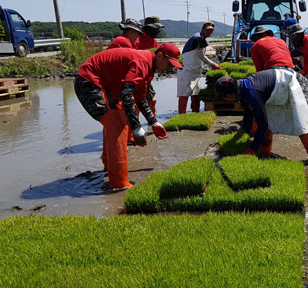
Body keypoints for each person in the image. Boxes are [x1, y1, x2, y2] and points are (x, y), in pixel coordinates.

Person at [74, 43, 183, 189]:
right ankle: (119, 182)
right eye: (169, 63)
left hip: (105, 84)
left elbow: (140, 99)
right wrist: (136, 127)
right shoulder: (142, 63)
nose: (170, 68)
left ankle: (108, 167)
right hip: (89, 81)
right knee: (117, 124)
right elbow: (126, 95)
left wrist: (154, 123)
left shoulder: (149, 68)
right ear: (159, 55)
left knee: (116, 121)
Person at [214, 70, 308, 164]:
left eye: (223, 97)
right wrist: (243, 134)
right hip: (278, 90)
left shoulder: (251, 93)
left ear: (229, 95)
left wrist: (252, 149)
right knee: (268, 118)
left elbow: (262, 124)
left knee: (301, 122)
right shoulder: (241, 88)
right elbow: (248, 114)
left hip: (297, 84)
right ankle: (265, 152)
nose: (224, 99)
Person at [177, 21, 222, 114]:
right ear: (203, 29)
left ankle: (195, 114)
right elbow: (201, 55)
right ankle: (182, 116)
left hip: (195, 72)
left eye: (211, 30)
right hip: (186, 70)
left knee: (196, 95)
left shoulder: (202, 39)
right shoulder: (198, 38)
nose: (209, 32)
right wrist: (213, 64)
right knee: (184, 96)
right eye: (208, 30)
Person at [134, 16, 166, 117]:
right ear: (148, 28)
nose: (158, 31)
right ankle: (134, 127)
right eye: (156, 29)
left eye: (158, 29)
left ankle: (153, 123)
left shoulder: (154, 42)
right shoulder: (137, 40)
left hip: (147, 77)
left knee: (151, 101)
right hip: (136, 77)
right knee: (136, 104)